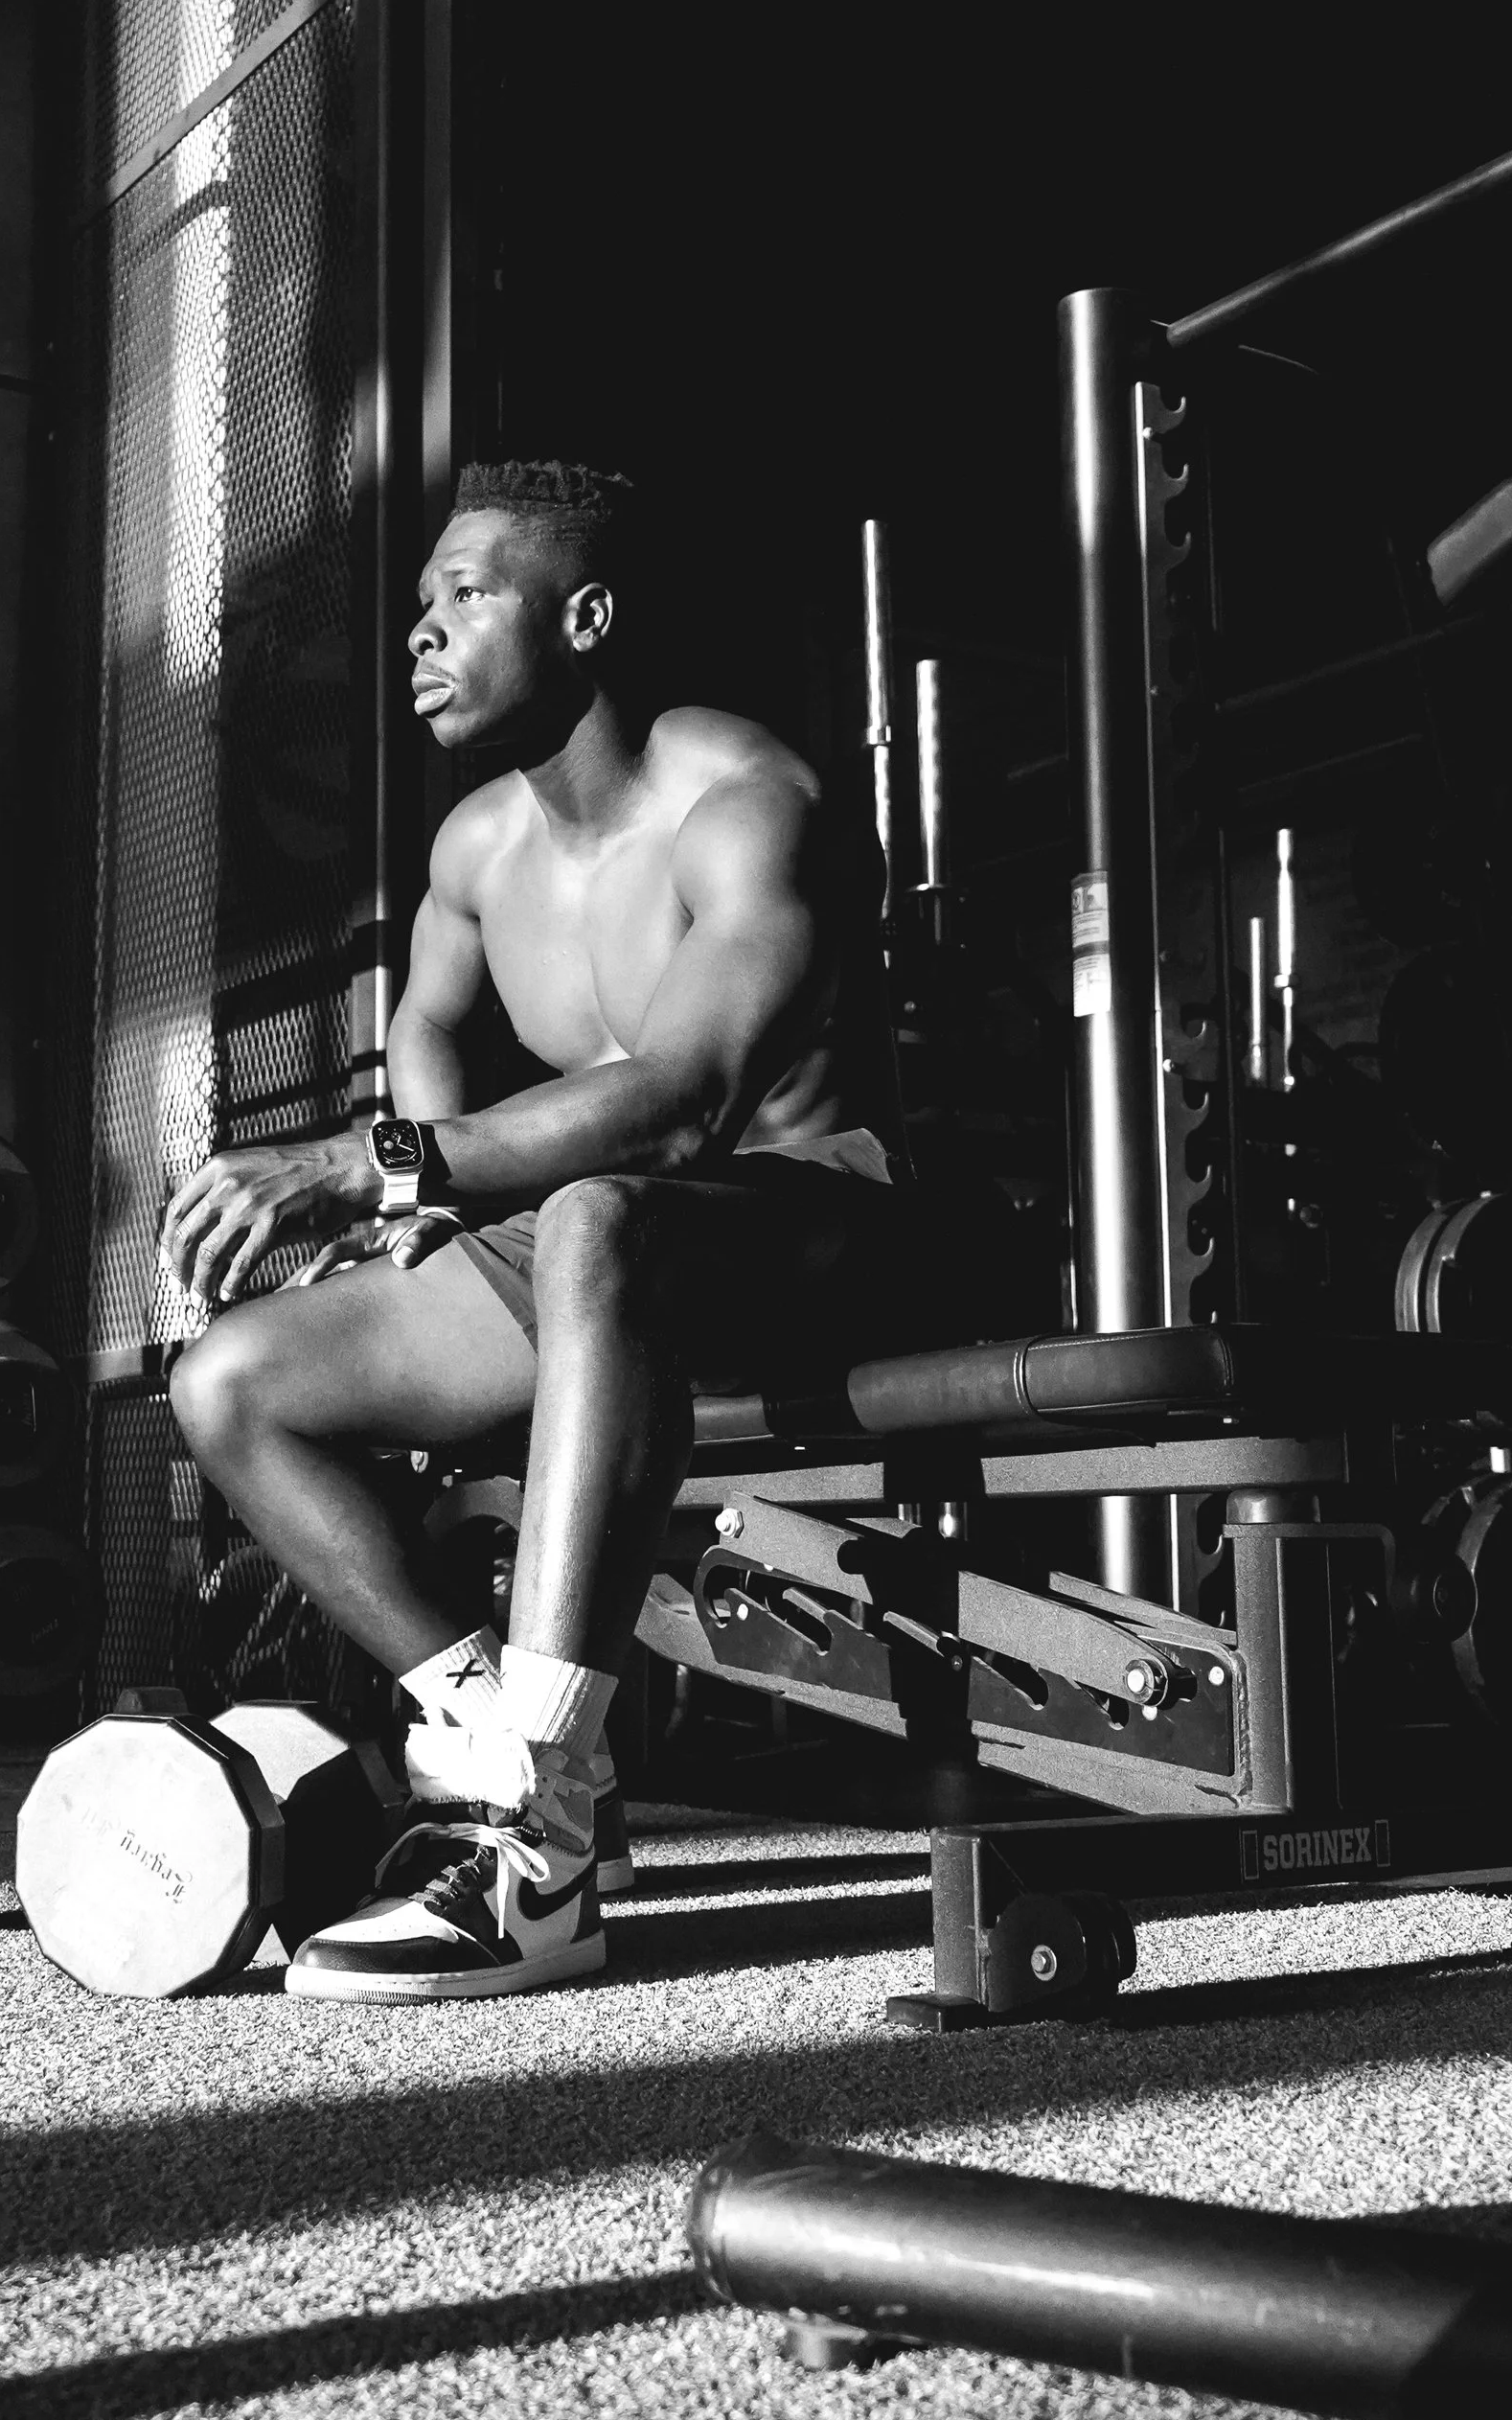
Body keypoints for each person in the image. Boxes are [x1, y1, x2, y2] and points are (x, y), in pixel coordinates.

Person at [161, 459, 936, 2001]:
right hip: (612, 1248)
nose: (420, 637)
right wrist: (410, 1230)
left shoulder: (740, 801)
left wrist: (376, 1166)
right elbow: (431, 1046)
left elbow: (683, 1102)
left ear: (583, 615)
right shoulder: (476, 854)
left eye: (465, 596)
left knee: (593, 1215)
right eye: (419, 608)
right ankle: (502, 1738)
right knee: (234, 1383)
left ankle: (543, 1854)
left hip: (816, 1229)